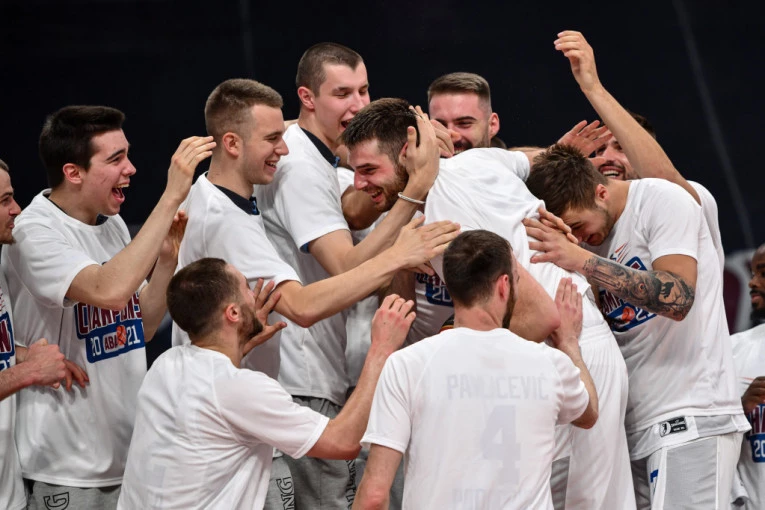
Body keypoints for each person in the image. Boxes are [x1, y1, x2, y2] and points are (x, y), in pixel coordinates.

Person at [176, 78, 457, 507]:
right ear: (231, 143)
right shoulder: (225, 219)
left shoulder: (220, 196)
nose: (285, 149)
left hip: (238, 405)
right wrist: (399, 248)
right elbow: (303, 308)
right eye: (273, 138)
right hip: (253, 403)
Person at [342, 98, 635, 508]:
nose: (358, 184)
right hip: (561, 352)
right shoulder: (478, 160)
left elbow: (539, 316)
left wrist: (449, 350)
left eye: (369, 170)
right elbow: (528, 161)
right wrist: (557, 152)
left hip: (566, 347)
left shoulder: (445, 216)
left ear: (408, 152)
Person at [254, 44, 451, 508]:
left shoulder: (319, 156)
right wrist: (414, 193)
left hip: (316, 371)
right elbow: (346, 265)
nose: (358, 104)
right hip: (300, 373)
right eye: (342, 93)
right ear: (307, 97)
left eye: (364, 90)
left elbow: (359, 206)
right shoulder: (299, 168)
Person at [1, 106, 213, 509]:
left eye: (127, 155)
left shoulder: (110, 222)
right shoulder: (34, 231)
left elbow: (141, 328)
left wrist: (166, 262)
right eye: (115, 159)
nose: (130, 168)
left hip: (127, 459)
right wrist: (172, 195)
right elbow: (109, 291)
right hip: (66, 469)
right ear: (73, 172)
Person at [524, 144, 749, 509]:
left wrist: (581, 260)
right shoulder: (588, 239)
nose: (578, 239)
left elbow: (677, 299)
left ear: (600, 192)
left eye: (578, 226)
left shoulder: (661, 199)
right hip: (633, 426)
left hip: (689, 411)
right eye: (569, 233)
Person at [118, 258, 414, 509]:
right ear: (233, 313)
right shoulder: (241, 388)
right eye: (246, 288)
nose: (254, 294)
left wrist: (238, 344)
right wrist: (381, 348)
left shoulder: (165, 365)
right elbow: (344, 441)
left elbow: (213, 390)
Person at [354, 230, 598, 509]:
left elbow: (373, 497)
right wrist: (568, 342)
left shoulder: (406, 364)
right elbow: (588, 413)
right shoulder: (550, 363)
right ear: (504, 286)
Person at [554, 30, 725, 271]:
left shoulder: (686, 197)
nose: (606, 158)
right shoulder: (584, 234)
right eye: (598, 150)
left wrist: (592, 87)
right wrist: (556, 158)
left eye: (621, 148)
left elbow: (663, 179)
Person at [0, 158, 69, 510]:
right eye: (4, 201)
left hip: (9, 487)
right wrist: (30, 371)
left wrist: (27, 354)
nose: (16, 209)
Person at [730, 244, 765, 509]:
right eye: (753, 273)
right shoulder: (732, 350)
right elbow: (701, 437)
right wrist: (738, 409)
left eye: (763, 273)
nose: (752, 282)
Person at [426, 71, 500, 155]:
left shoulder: (510, 162)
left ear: (492, 125)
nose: (449, 134)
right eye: (440, 125)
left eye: (464, 123)